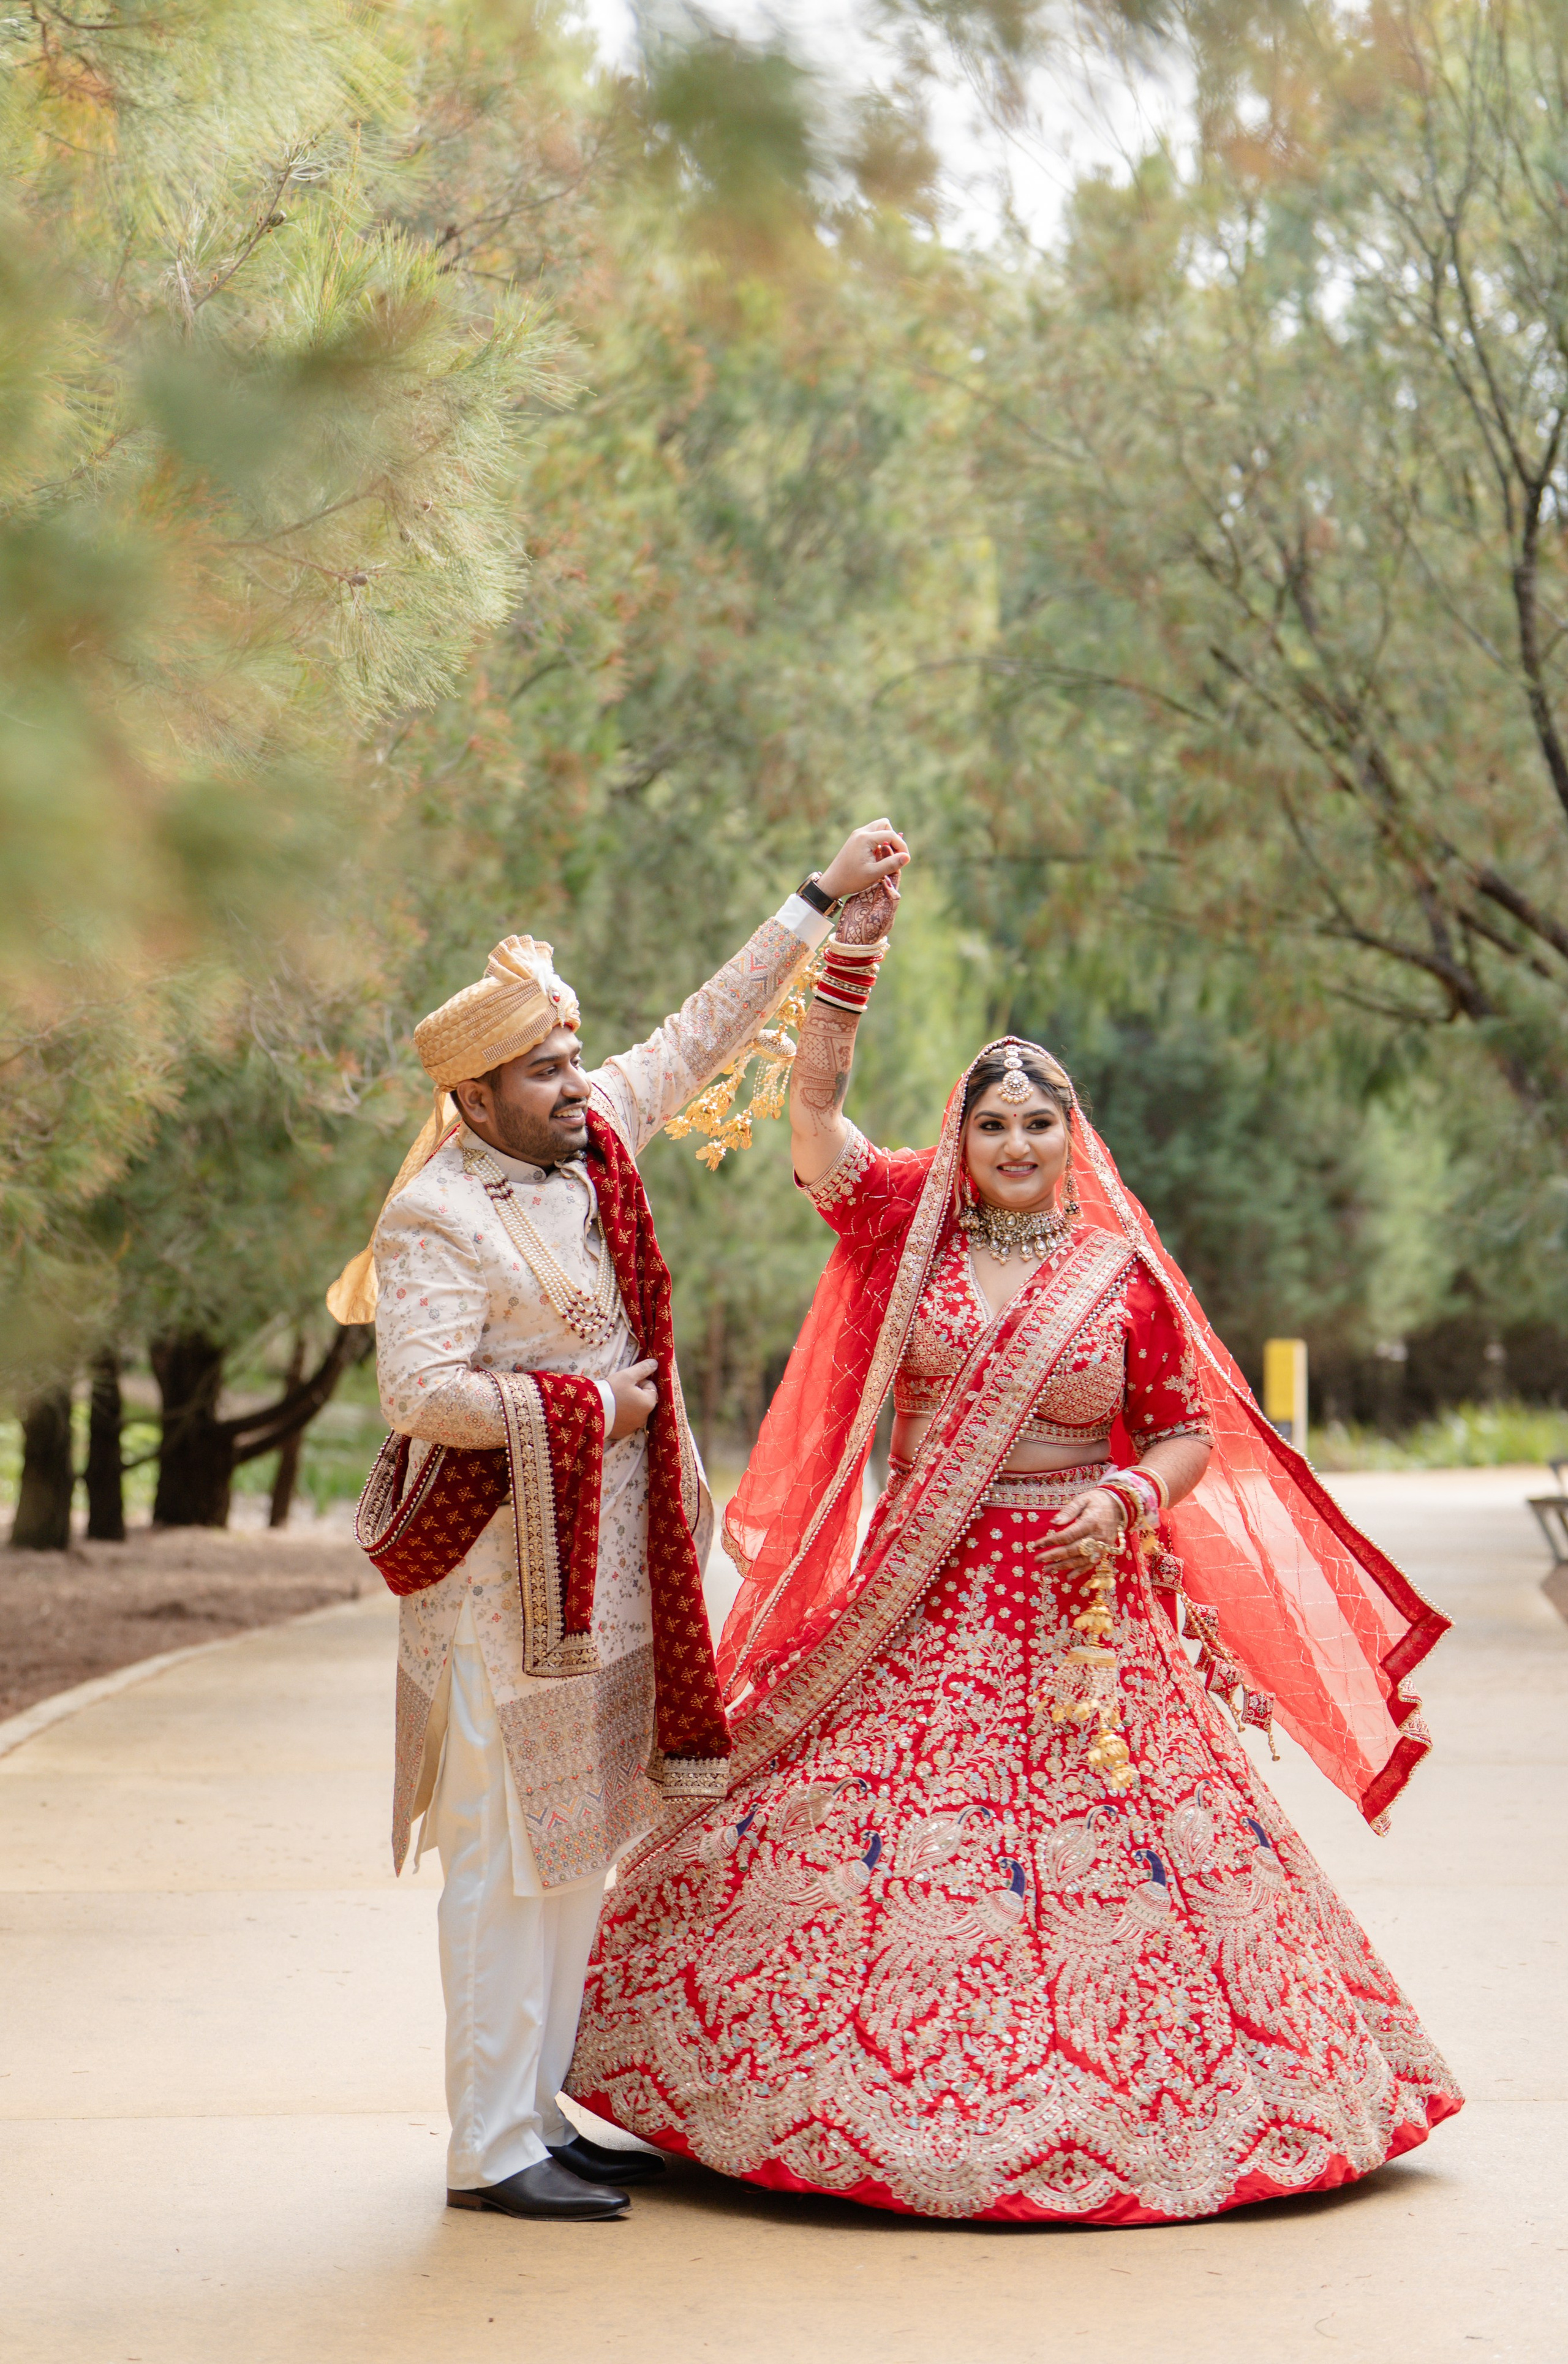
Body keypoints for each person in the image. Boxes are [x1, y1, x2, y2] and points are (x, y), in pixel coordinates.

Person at [567, 878, 1463, 2224]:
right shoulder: (906, 1225)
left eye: (1038, 1122)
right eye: (991, 1122)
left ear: (1068, 1134)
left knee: (1134, 1858)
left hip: (1083, 1617)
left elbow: (1181, 1434)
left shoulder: (1115, 1276)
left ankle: (1182, 2102)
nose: (1016, 1142)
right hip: (920, 1608)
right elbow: (811, 1124)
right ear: (962, 1135)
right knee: (858, 1843)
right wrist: (850, 949)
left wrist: (1130, 1502)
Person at [326, 822, 910, 2223]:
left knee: (572, 1850)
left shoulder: (593, 1150)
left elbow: (707, 1027)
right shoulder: (436, 1219)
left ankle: (536, 2113)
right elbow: (420, 1394)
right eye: (543, 1067)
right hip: (497, 1595)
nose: (575, 1080)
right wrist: (597, 1412)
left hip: (606, 1583)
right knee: (499, 1860)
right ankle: (484, 2148)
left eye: (574, 1054)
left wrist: (816, 900)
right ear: (472, 1094)